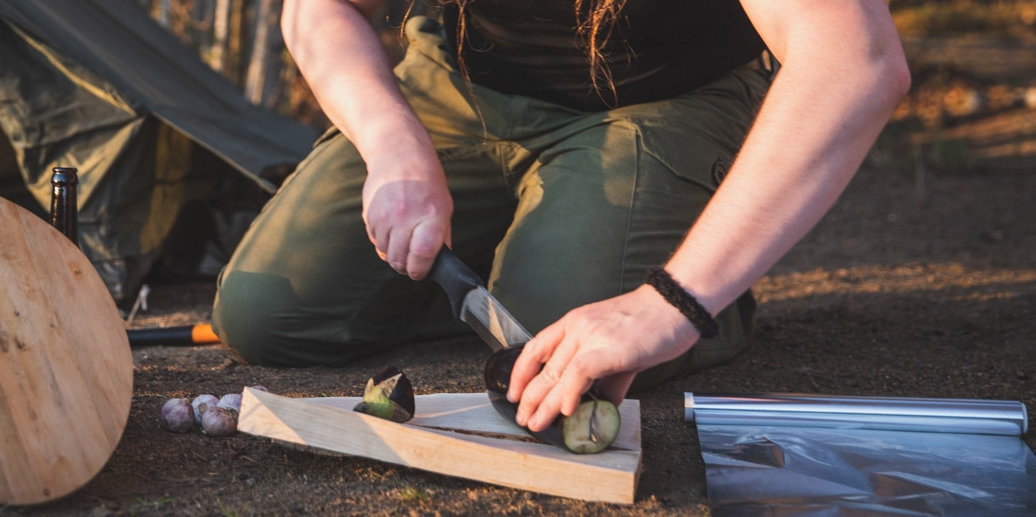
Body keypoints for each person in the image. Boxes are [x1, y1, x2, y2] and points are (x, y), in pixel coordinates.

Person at [212, 0, 910, 434]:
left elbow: (856, 58)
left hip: (660, 101)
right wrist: (393, 148)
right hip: (458, 81)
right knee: (264, 313)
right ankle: (540, 239)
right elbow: (317, 9)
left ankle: (708, 278)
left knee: (549, 353)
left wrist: (668, 303)